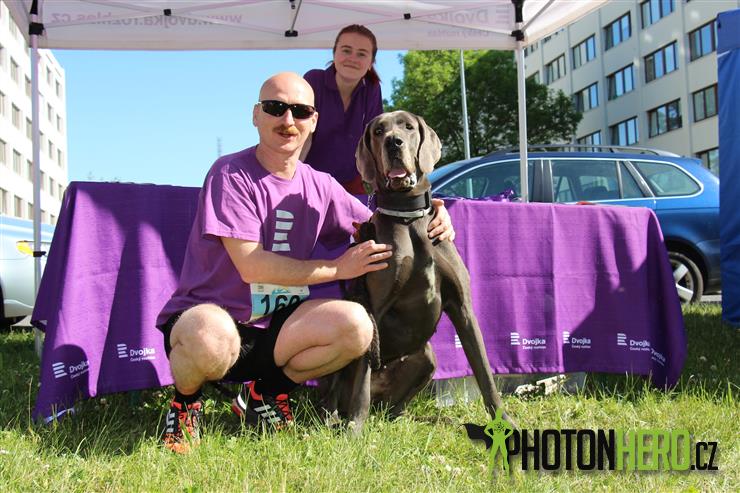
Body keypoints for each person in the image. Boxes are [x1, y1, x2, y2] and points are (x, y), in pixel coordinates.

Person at [156, 72, 455, 453]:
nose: (288, 120)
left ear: (313, 121)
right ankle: (185, 405)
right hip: (216, 319)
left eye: (300, 111)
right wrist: (338, 269)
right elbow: (252, 266)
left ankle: (264, 394)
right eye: (275, 108)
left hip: (278, 331)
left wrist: (432, 214)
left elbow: (380, 224)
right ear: (256, 115)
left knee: (356, 326)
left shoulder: (320, 184)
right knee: (210, 337)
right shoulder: (230, 173)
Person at [302, 25, 383, 194]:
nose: (352, 58)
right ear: (334, 54)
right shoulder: (313, 80)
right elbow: (302, 137)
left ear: (370, 63)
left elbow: (375, 142)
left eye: (361, 54)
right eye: (346, 50)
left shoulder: (372, 88)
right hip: (310, 180)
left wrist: (383, 190)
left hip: (351, 183)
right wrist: (291, 180)